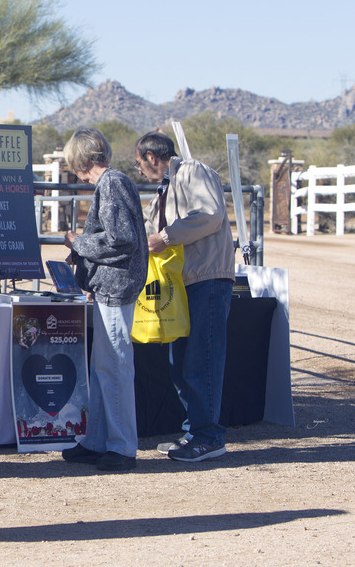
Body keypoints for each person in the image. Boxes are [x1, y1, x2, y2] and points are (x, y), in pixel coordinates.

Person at [134, 131, 236, 462]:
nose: (139, 171)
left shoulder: (193, 172)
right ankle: (195, 430)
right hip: (181, 284)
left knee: (202, 358)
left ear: (151, 157)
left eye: (139, 163)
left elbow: (209, 214)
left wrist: (165, 237)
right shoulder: (163, 193)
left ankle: (208, 436)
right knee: (181, 362)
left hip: (206, 278)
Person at [58, 128, 148, 472]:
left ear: (79, 160)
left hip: (116, 287)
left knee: (114, 367)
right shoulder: (116, 182)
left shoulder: (111, 185)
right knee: (105, 367)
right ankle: (97, 441)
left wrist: (79, 244)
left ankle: (122, 447)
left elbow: (121, 240)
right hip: (114, 285)